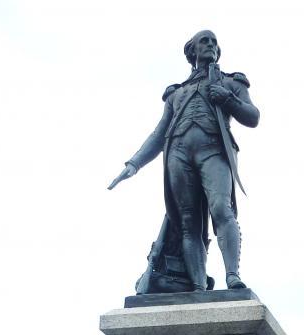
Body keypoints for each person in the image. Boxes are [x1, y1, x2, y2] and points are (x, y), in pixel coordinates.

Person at [109, 30, 260, 293]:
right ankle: (198, 287)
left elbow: (252, 116)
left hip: (212, 149)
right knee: (189, 223)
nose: (211, 45)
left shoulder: (230, 82)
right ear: (192, 51)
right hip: (177, 154)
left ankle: (232, 275)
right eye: (205, 41)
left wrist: (227, 98)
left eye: (214, 42)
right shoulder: (176, 93)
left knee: (221, 209)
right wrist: (133, 164)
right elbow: (158, 134)